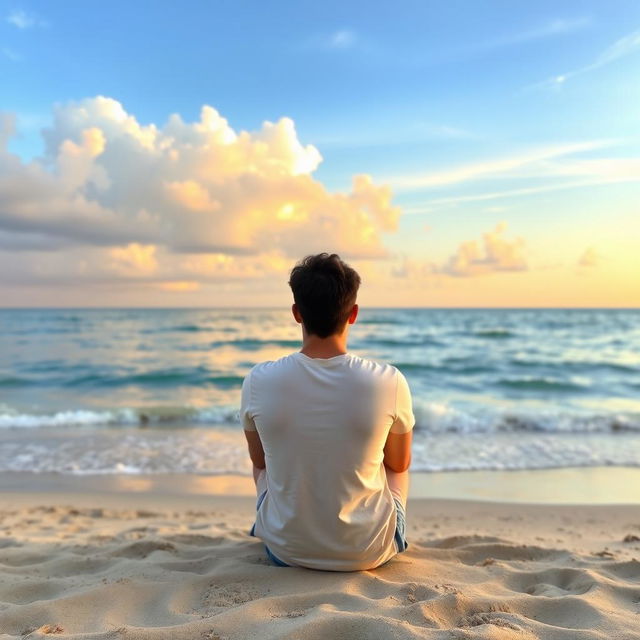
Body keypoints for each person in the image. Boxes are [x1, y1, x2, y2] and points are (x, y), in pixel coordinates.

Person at [240, 252, 415, 571]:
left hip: (287, 551)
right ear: (353, 314)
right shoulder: (389, 381)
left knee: (268, 467)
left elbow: (259, 463)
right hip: (368, 551)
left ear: (296, 313)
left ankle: (287, 528)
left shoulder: (258, 380)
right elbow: (399, 464)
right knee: (393, 468)